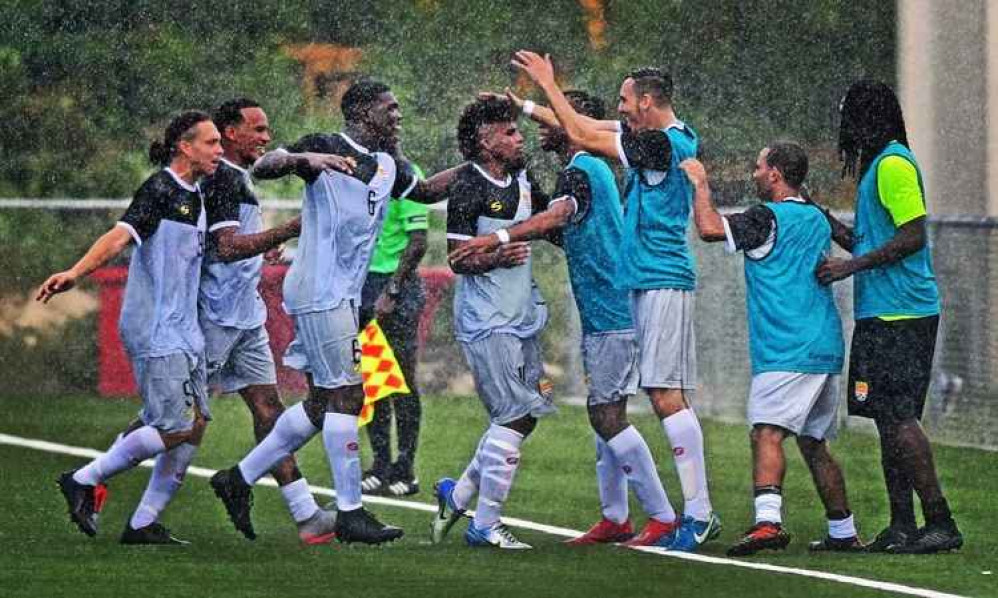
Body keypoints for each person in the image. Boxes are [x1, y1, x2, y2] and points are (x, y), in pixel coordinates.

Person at [208, 79, 454, 545]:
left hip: (344, 295)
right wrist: (306, 160)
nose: (398, 115)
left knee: (324, 403)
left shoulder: (387, 163)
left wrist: (475, 166)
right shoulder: (326, 146)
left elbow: (422, 191)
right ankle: (350, 513)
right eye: (391, 108)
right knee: (349, 395)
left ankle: (238, 479)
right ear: (362, 113)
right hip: (320, 291)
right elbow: (263, 166)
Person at [509, 50, 719, 551]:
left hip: (663, 277)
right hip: (646, 280)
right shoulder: (660, 137)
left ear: (646, 101)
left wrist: (547, 82)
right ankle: (679, 515)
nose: (621, 109)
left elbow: (581, 135)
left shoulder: (662, 145)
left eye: (626, 101)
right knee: (661, 393)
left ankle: (700, 514)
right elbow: (580, 122)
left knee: (667, 394)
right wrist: (527, 104)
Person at [448, 91, 676, 547]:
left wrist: (497, 238)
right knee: (595, 413)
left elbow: (558, 214)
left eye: (551, 120)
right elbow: (561, 229)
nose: (539, 130)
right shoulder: (584, 169)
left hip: (610, 310)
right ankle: (613, 518)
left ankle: (663, 516)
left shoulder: (583, 169)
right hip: (599, 310)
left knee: (603, 414)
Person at [39, 111, 222, 545]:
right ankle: (83, 479)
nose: (218, 151)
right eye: (211, 143)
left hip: (184, 329)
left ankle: (143, 523)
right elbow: (120, 235)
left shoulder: (197, 195)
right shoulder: (160, 188)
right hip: (156, 326)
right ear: (185, 146)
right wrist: (75, 272)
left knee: (193, 424)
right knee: (175, 426)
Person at [679, 144, 864, 556]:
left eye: (759, 167)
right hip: (823, 346)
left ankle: (768, 523)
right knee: (814, 443)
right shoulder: (817, 218)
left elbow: (709, 228)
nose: (755, 174)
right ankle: (843, 530)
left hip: (787, 348)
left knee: (766, 431)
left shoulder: (767, 217)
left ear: (777, 174)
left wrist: (699, 180)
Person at [815, 80, 962, 554]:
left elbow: (912, 236)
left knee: (899, 416)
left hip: (904, 312)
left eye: (848, 118)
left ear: (866, 118)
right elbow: (870, 239)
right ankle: (902, 524)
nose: (844, 130)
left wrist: (848, 268)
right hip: (882, 313)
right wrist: (823, 221)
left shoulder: (894, 164)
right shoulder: (876, 168)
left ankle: (940, 521)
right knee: (886, 418)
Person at [200, 98, 335, 544]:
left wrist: (265, 245)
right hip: (212, 318)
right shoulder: (222, 178)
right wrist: (288, 229)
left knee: (269, 412)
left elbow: (236, 242)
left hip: (245, 316)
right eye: (256, 129)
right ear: (230, 133)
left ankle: (307, 516)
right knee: (177, 421)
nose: (265, 137)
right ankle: (93, 479)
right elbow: (225, 248)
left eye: (267, 129)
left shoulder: (238, 179)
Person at [430, 96, 554, 550]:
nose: (520, 139)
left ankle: (457, 495)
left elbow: (549, 224)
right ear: (486, 142)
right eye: (510, 133)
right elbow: (458, 259)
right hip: (487, 321)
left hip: (523, 316)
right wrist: (498, 254)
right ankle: (484, 526)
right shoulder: (468, 186)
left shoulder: (522, 177)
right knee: (514, 414)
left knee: (529, 416)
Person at [358, 157, 429, 498]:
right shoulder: (358, 170)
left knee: (402, 378)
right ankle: (381, 462)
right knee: (374, 379)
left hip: (397, 286)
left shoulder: (408, 174)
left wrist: (393, 290)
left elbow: (418, 241)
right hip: (363, 285)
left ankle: (406, 467)